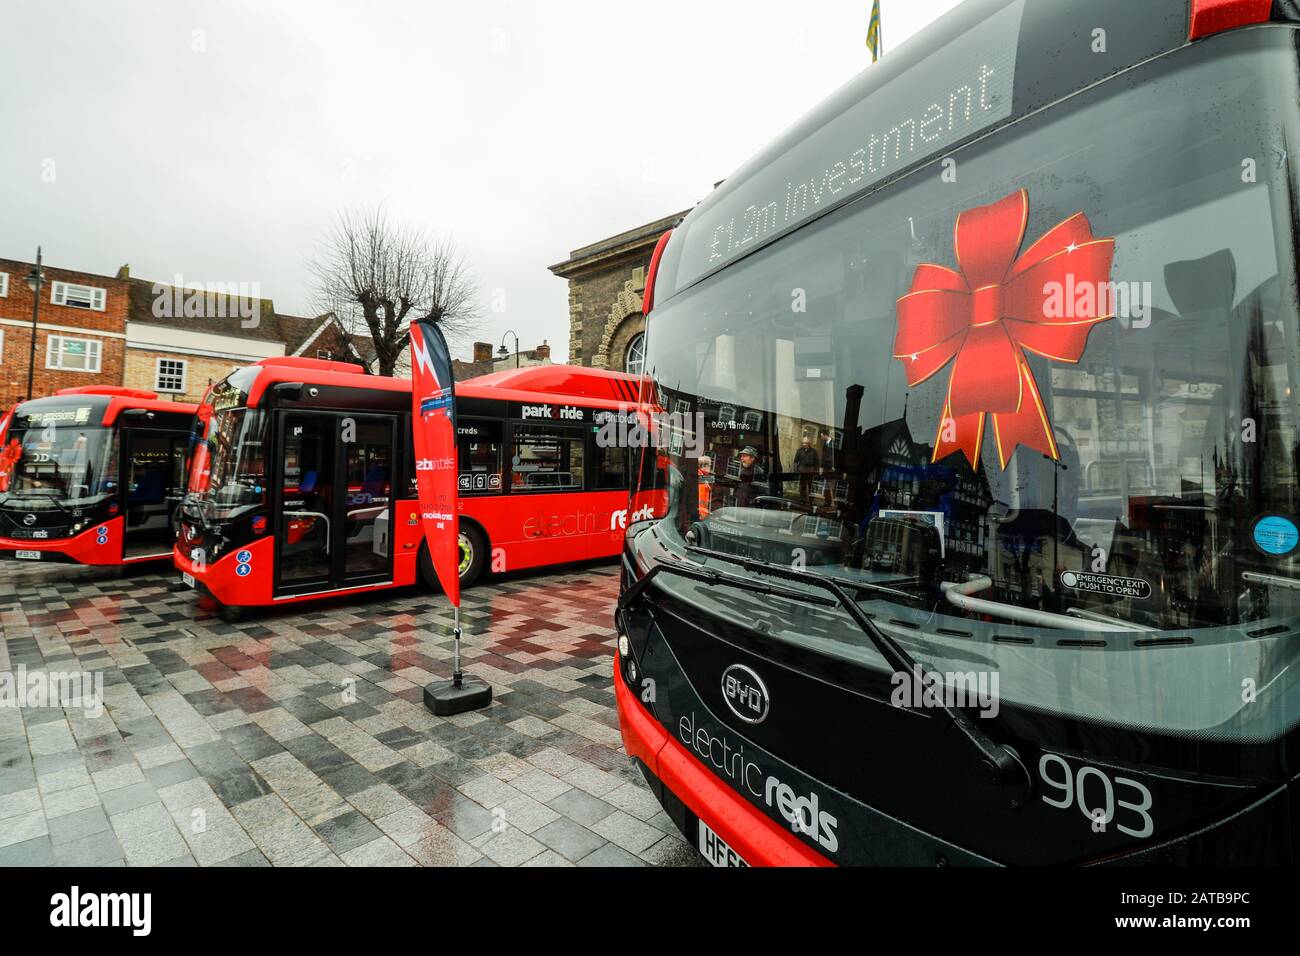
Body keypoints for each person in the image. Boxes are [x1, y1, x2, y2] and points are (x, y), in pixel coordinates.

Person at [794, 437, 820, 505]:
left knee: (810, 487)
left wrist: (816, 471)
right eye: (803, 443)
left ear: (809, 443)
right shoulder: (799, 450)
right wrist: (796, 470)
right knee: (802, 486)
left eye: (805, 443)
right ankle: (802, 500)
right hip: (802, 472)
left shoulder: (814, 451)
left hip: (810, 472)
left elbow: (817, 462)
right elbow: (796, 461)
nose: (804, 444)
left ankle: (809, 501)